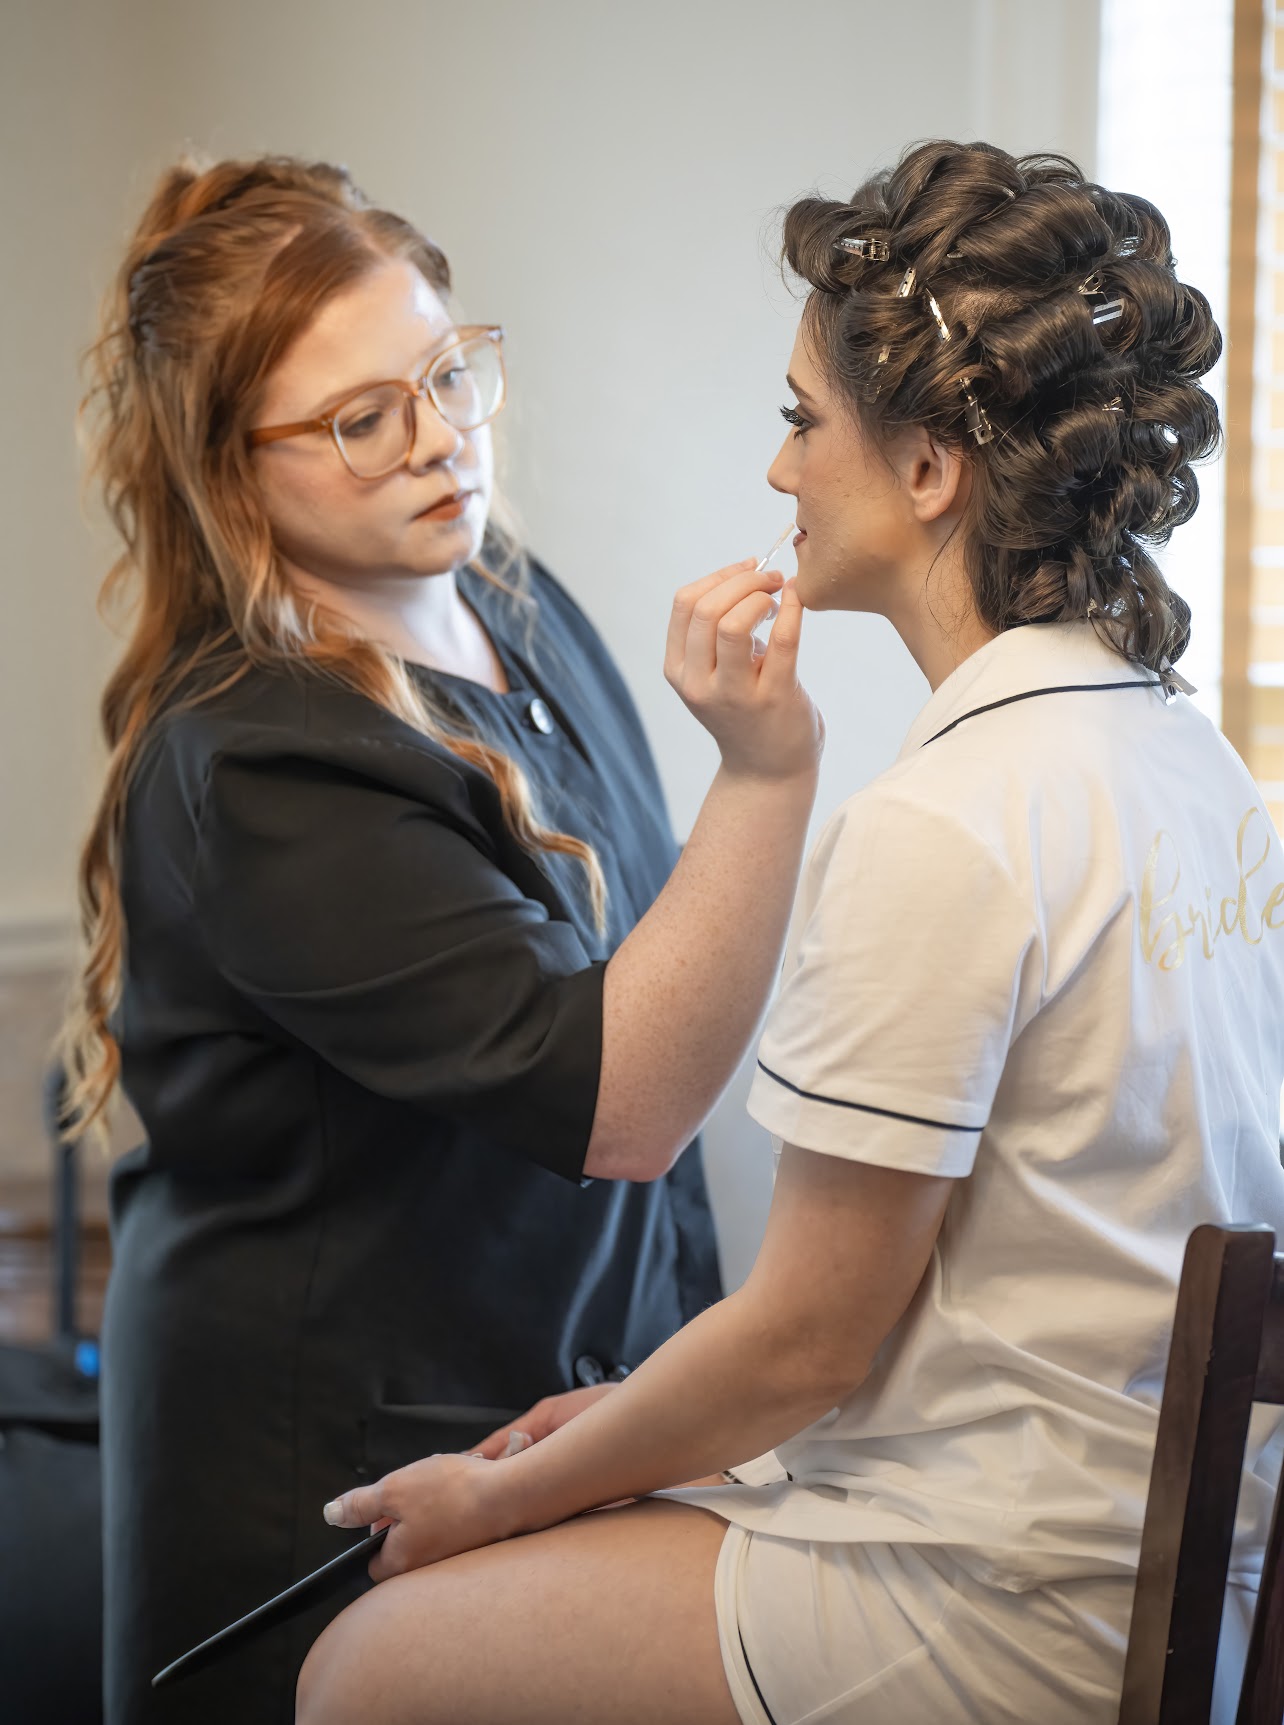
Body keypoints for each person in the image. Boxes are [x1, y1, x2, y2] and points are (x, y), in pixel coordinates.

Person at [302, 140, 1284, 1725]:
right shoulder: (1204, 772)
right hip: (1182, 1588)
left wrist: (502, 1495)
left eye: (800, 421)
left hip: (997, 1602)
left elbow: (804, 1342)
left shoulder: (949, 820)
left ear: (926, 471)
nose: (777, 473)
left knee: (367, 1668)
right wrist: (623, 1425)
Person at [66, 155, 823, 1725]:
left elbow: (641, 955)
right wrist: (768, 769)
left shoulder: (506, 598)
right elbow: (620, 1100)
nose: (440, 440)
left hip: (544, 1405)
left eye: (446, 372)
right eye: (363, 418)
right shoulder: (255, 755)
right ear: (226, 468)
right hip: (330, 1474)